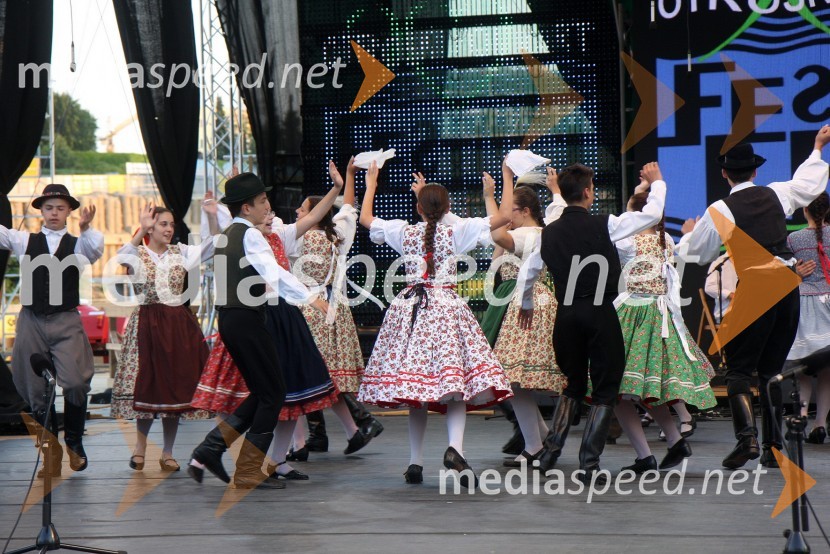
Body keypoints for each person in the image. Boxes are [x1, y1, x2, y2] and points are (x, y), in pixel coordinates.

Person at [676, 126, 830, 469]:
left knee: (739, 370)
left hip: (758, 287)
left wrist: (687, 236)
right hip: (787, 286)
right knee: (772, 371)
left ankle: (747, 438)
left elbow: (700, 254)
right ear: (756, 171)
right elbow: (809, 185)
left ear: (724, 174)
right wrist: (817, 148)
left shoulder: (722, 208)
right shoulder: (776, 192)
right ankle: (774, 448)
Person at [357, 161, 513, 487]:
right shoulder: (455, 231)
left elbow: (366, 220)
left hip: (411, 311)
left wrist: (371, 183)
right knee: (454, 389)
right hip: (444, 308)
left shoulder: (405, 231)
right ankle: (455, 448)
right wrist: (506, 180)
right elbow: (504, 218)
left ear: (418, 207)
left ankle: (415, 462)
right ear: (449, 208)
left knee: (418, 391)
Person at [517, 162, 667, 483]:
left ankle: (550, 452)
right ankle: (589, 463)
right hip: (599, 312)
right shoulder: (605, 224)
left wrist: (526, 303)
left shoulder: (549, 233)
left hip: (566, 316)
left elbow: (529, 271)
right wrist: (658, 184)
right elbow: (651, 216)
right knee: (605, 389)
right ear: (587, 193)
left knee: (572, 384)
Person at [186, 172, 328, 490]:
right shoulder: (249, 235)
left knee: (264, 393)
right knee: (274, 393)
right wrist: (311, 297)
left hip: (232, 321)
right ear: (247, 207)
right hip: (247, 320)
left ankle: (210, 449)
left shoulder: (225, 235)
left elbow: (191, 257)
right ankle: (247, 469)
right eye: (263, 201)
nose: (268, 206)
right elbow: (273, 272)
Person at [612, 181, 717, 473]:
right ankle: (672, 440)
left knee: (617, 389)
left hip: (634, 313)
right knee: (644, 387)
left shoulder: (628, 241)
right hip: (660, 316)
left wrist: (642, 191)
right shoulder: (666, 240)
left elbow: (622, 226)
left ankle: (647, 454)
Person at [111, 196, 220, 472]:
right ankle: (140, 447)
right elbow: (122, 259)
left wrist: (211, 216)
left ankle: (168, 452)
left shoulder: (180, 252)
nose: (169, 229)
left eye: (171, 224)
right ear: (150, 228)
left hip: (176, 324)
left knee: (174, 389)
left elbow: (215, 244)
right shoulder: (139, 253)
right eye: (162, 224)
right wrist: (140, 230)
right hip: (148, 321)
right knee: (147, 384)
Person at [3, 184, 103, 476]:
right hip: (31, 320)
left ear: (69, 211)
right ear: (41, 211)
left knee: (75, 381)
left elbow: (95, 249)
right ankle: (50, 453)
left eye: (60, 208)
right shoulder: (24, 240)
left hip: (65, 320)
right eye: (49, 208)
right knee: (33, 389)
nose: (54, 213)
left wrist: (86, 228)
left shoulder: (78, 244)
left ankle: (73, 441)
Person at [291, 157, 383, 457]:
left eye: (302, 210)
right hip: (332, 307)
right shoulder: (337, 235)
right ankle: (326, 433)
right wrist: (348, 177)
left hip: (313, 310)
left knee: (311, 375)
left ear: (314, 215)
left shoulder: (305, 239)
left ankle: (350, 425)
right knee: (321, 374)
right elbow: (348, 208)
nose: (297, 213)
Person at [482, 165, 566, 467]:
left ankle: (533, 445)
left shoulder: (530, 234)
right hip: (525, 303)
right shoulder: (528, 231)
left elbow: (497, 232)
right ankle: (540, 437)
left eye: (512, 210)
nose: (508, 215)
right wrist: (493, 197)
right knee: (514, 379)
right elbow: (497, 235)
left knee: (513, 379)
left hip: (527, 305)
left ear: (525, 210)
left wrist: (500, 187)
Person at [786, 191, 830, 445]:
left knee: (803, 369)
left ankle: (801, 417)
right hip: (827, 303)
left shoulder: (794, 238)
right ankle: (820, 424)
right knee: (826, 371)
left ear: (804, 210)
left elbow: (786, 270)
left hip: (804, 303)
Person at [704, 254, 737, 324]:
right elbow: (709, 287)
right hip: (727, 313)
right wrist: (730, 294)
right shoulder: (719, 262)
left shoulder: (748, 262)